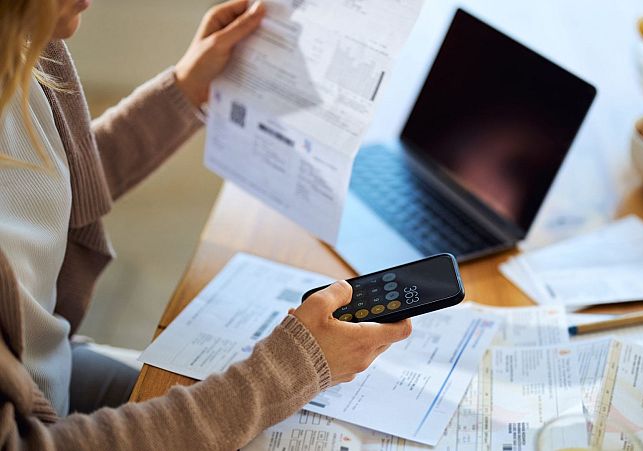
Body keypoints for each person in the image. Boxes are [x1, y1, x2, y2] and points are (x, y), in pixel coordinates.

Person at [0, 0, 412, 449]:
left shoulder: (25, 47)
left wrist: (186, 87)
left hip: (49, 370)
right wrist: (290, 369)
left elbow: (44, 182)